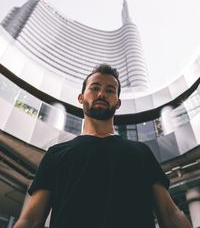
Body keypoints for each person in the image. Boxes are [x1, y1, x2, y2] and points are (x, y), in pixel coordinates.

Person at [14, 64, 192, 228]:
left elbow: (170, 213)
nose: (101, 94)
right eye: (95, 88)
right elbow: (30, 219)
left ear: (118, 102)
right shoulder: (56, 153)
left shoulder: (141, 152)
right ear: (81, 97)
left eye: (110, 90)